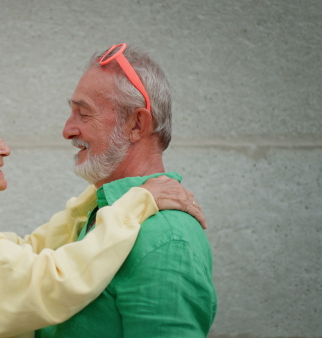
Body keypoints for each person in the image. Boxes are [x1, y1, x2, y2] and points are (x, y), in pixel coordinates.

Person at [0, 78, 205, 338]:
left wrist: (92, 201)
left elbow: (22, 257)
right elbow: (49, 284)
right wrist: (136, 203)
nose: (6, 149)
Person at [37, 43, 218, 338]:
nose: (68, 130)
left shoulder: (167, 238)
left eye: (83, 114)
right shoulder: (107, 212)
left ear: (137, 124)